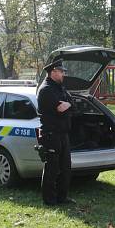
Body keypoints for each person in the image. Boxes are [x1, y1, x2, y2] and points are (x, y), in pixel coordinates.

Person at [37, 59, 76, 205]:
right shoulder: (46, 89)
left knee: (65, 168)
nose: (63, 74)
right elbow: (59, 110)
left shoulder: (60, 88)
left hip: (63, 134)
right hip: (51, 134)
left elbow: (73, 107)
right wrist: (67, 107)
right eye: (61, 71)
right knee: (52, 168)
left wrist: (69, 105)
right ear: (53, 72)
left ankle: (62, 197)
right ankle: (49, 199)